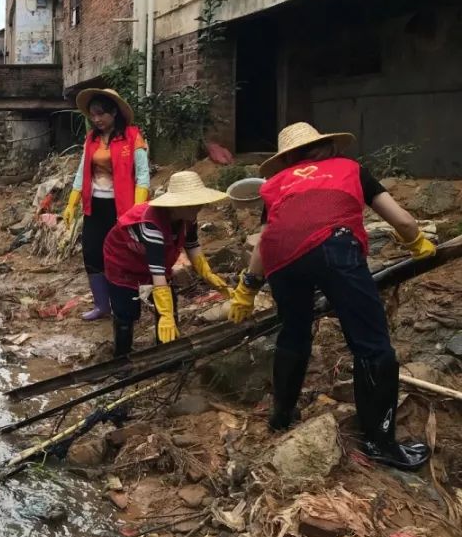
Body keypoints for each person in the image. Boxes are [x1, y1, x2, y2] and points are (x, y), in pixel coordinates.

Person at [228, 123, 435, 470]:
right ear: (325, 146)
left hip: (281, 257)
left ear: (287, 158)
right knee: (372, 345)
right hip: (333, 247)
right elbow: (403, 221)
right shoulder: (351, 168)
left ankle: (281, 415)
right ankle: (379, 441)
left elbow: (266, 239)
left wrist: (247, 288)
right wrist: (417, 244)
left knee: (294, 331)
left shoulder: (278, 183)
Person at [103, 171, 230, 358]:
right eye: (193, 202)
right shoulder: (150, 223)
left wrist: (208, 274)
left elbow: (192, 245)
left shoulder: (188, 216)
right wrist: (165, 315)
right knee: (126, 311)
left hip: (157, 261)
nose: (200, 206)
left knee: (170, 302)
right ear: (175, 205)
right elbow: (158, 272)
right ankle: (122, 358)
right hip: (123, 261)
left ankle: (167, 352)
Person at [62, 89, 150, 322]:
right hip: (95, 207)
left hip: (122, 209)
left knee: (122, 257)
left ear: (113, 112)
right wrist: (72, 203)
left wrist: (137, 210)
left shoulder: (132, 137)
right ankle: (102, 306)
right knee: (92, 254)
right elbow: (82, 172)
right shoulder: (91, 139)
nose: (96, 120)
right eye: (92, 115)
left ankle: (126, 307)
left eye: (101, 114)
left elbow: (142, 176)